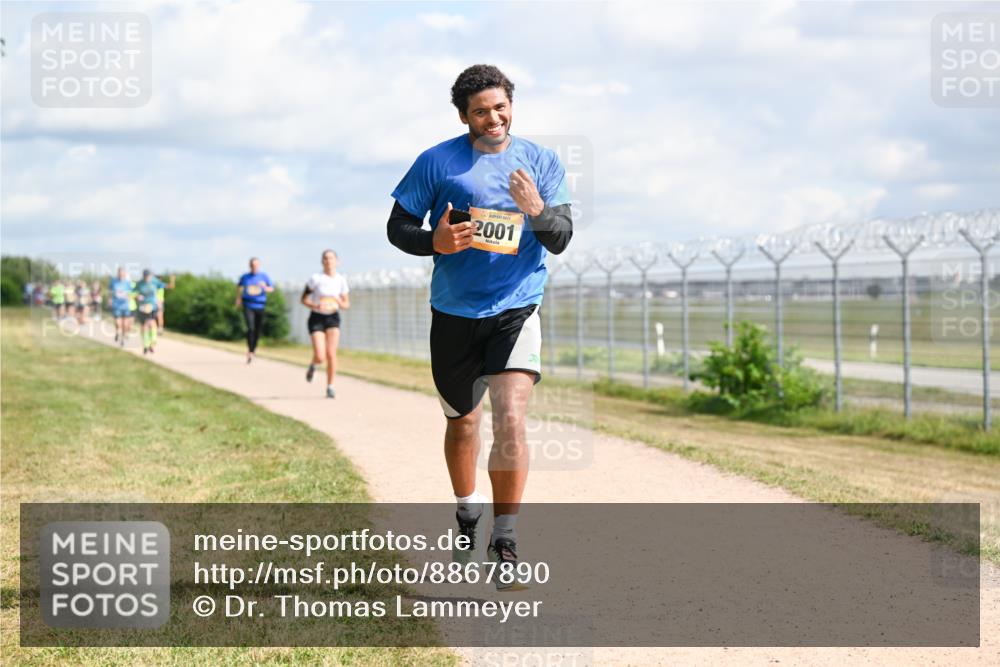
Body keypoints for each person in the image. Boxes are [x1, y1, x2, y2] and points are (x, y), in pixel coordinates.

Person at [386, 64, 573, 588]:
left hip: (517, 307)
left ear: (511, 104)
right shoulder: (436, 161)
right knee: (463, 423)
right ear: (464, 117)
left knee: (511, 417)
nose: (493, 118)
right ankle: (468, 512)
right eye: (480, 112)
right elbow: (398, 226)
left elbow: (560, 238)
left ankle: (505, 540)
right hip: (454, 312)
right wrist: (433, 242)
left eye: (500, 107)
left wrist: (536, 209)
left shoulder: (541, 161)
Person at [301, 250, 350, 398]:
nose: (329, 261)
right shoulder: (315, 279)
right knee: (320, 355)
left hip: (333, 317)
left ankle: (330, 386)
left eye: (331, 258)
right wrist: (316, 305)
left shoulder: (341, 280)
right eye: (326, 258)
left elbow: (346, 304)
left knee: (331, 353)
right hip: (317, 317)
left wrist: (338, 301)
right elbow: (304, 299)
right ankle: (313, 365)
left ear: (337, 261)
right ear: (322, 261)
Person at [236, 257, 274, 364]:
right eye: (252, 265)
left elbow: (271, 289)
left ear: (259, 265)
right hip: (248, 305)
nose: (254, 267)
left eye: (256, 265)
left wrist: (265, 287)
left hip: (260, 305)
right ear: (250, 266)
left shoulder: (264, 276)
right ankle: (249, 351)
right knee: (250, 328)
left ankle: (253, 350)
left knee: (258, 330)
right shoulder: (245, 277)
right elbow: (239, 286)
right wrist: (238, 299)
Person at [134, 269, 166, 354]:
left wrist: (159, 301)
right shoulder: (139, 283)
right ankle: (145, 344)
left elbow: (163, 287)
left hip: (152, 306)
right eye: (146, 276)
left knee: (152, 323)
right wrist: (137, 296)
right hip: (142, 307)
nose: (147, 278)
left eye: (148, 276)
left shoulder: (155, 281)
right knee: (144, 325)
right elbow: (133, 292)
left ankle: (153, 342)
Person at [109, 268, 134, 347]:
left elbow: (131, 292)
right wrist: (110, 299)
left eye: (123, 274)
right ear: (118, 274)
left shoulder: (128, 283)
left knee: (125, 324)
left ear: (125, 274)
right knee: (118, 323)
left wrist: (129, 297)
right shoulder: (113, 281)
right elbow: (110, 291)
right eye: (120, 273)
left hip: (125, 306)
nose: (121, 275)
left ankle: (122, 339)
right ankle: (117, 332)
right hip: (116, 305)